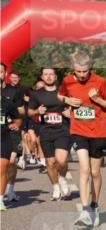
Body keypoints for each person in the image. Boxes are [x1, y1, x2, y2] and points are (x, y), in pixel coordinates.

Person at [59, 51, 106, 228]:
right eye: (78, 71)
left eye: (84, 71)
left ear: (90, 67)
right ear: (73, 69)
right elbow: (60, 95)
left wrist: (97, 98)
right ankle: (84, 210)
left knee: (95, 172)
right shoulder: (67, 80)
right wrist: (67, 99)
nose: (81, 75)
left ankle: (94, 206)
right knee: (84, 168)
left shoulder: (100, 82)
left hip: (98, 132)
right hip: (78, 131)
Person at [28, 67, 72, 200]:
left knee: (62, 160)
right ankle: (56, 187)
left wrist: (71, 113)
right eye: (45, 74)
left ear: (56, 77)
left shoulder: (64, 92)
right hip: (45, 131)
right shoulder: (36, 94)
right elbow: (29, 112)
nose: (48, 77)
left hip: (62, 130)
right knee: (50, 162)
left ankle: (63, 178)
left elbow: (75, 105)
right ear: (42, 77)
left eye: (51, 74)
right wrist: (37, 111)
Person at [1, 62, 25, 211]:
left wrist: (13, 120)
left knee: (9, 162)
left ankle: (9, 189)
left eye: (0, 71)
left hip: (9, 132)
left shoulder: (13, 91)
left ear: (5, 74)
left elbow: (20, 112)